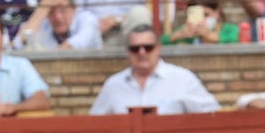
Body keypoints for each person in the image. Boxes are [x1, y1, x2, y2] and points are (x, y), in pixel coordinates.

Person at [89, 24, 220, 115]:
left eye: (148, 47)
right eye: (135, 48)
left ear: (158, 49)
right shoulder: (114, 85)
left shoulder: (183, 79)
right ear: (127, 53)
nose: (142, 53)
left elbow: (212, 115)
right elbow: (95, 124)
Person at [33, 0, 101, 49]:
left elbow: (77, 44)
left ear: (74, 9)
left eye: (63, 10)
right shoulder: (45, 24)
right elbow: (24, 41)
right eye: (51, 11)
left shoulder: (87, 19)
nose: (58, 17)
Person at [162, 0, 237, 45]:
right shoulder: (186, 33)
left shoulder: (229, 30)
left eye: (206, 15)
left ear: (217, 12)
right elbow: (160, 43)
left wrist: (213, 37)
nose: (202, 20)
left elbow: (238, 38)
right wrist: (178, 35)